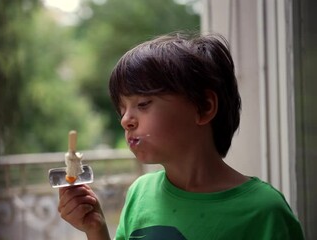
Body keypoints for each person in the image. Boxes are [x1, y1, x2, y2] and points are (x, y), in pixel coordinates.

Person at [57, 33, 305, 240]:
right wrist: (96, 228)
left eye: (143, 104)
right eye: (122, 110)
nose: (125, 120)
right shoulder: (140, 193)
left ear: (204, 107)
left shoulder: (264, 211)